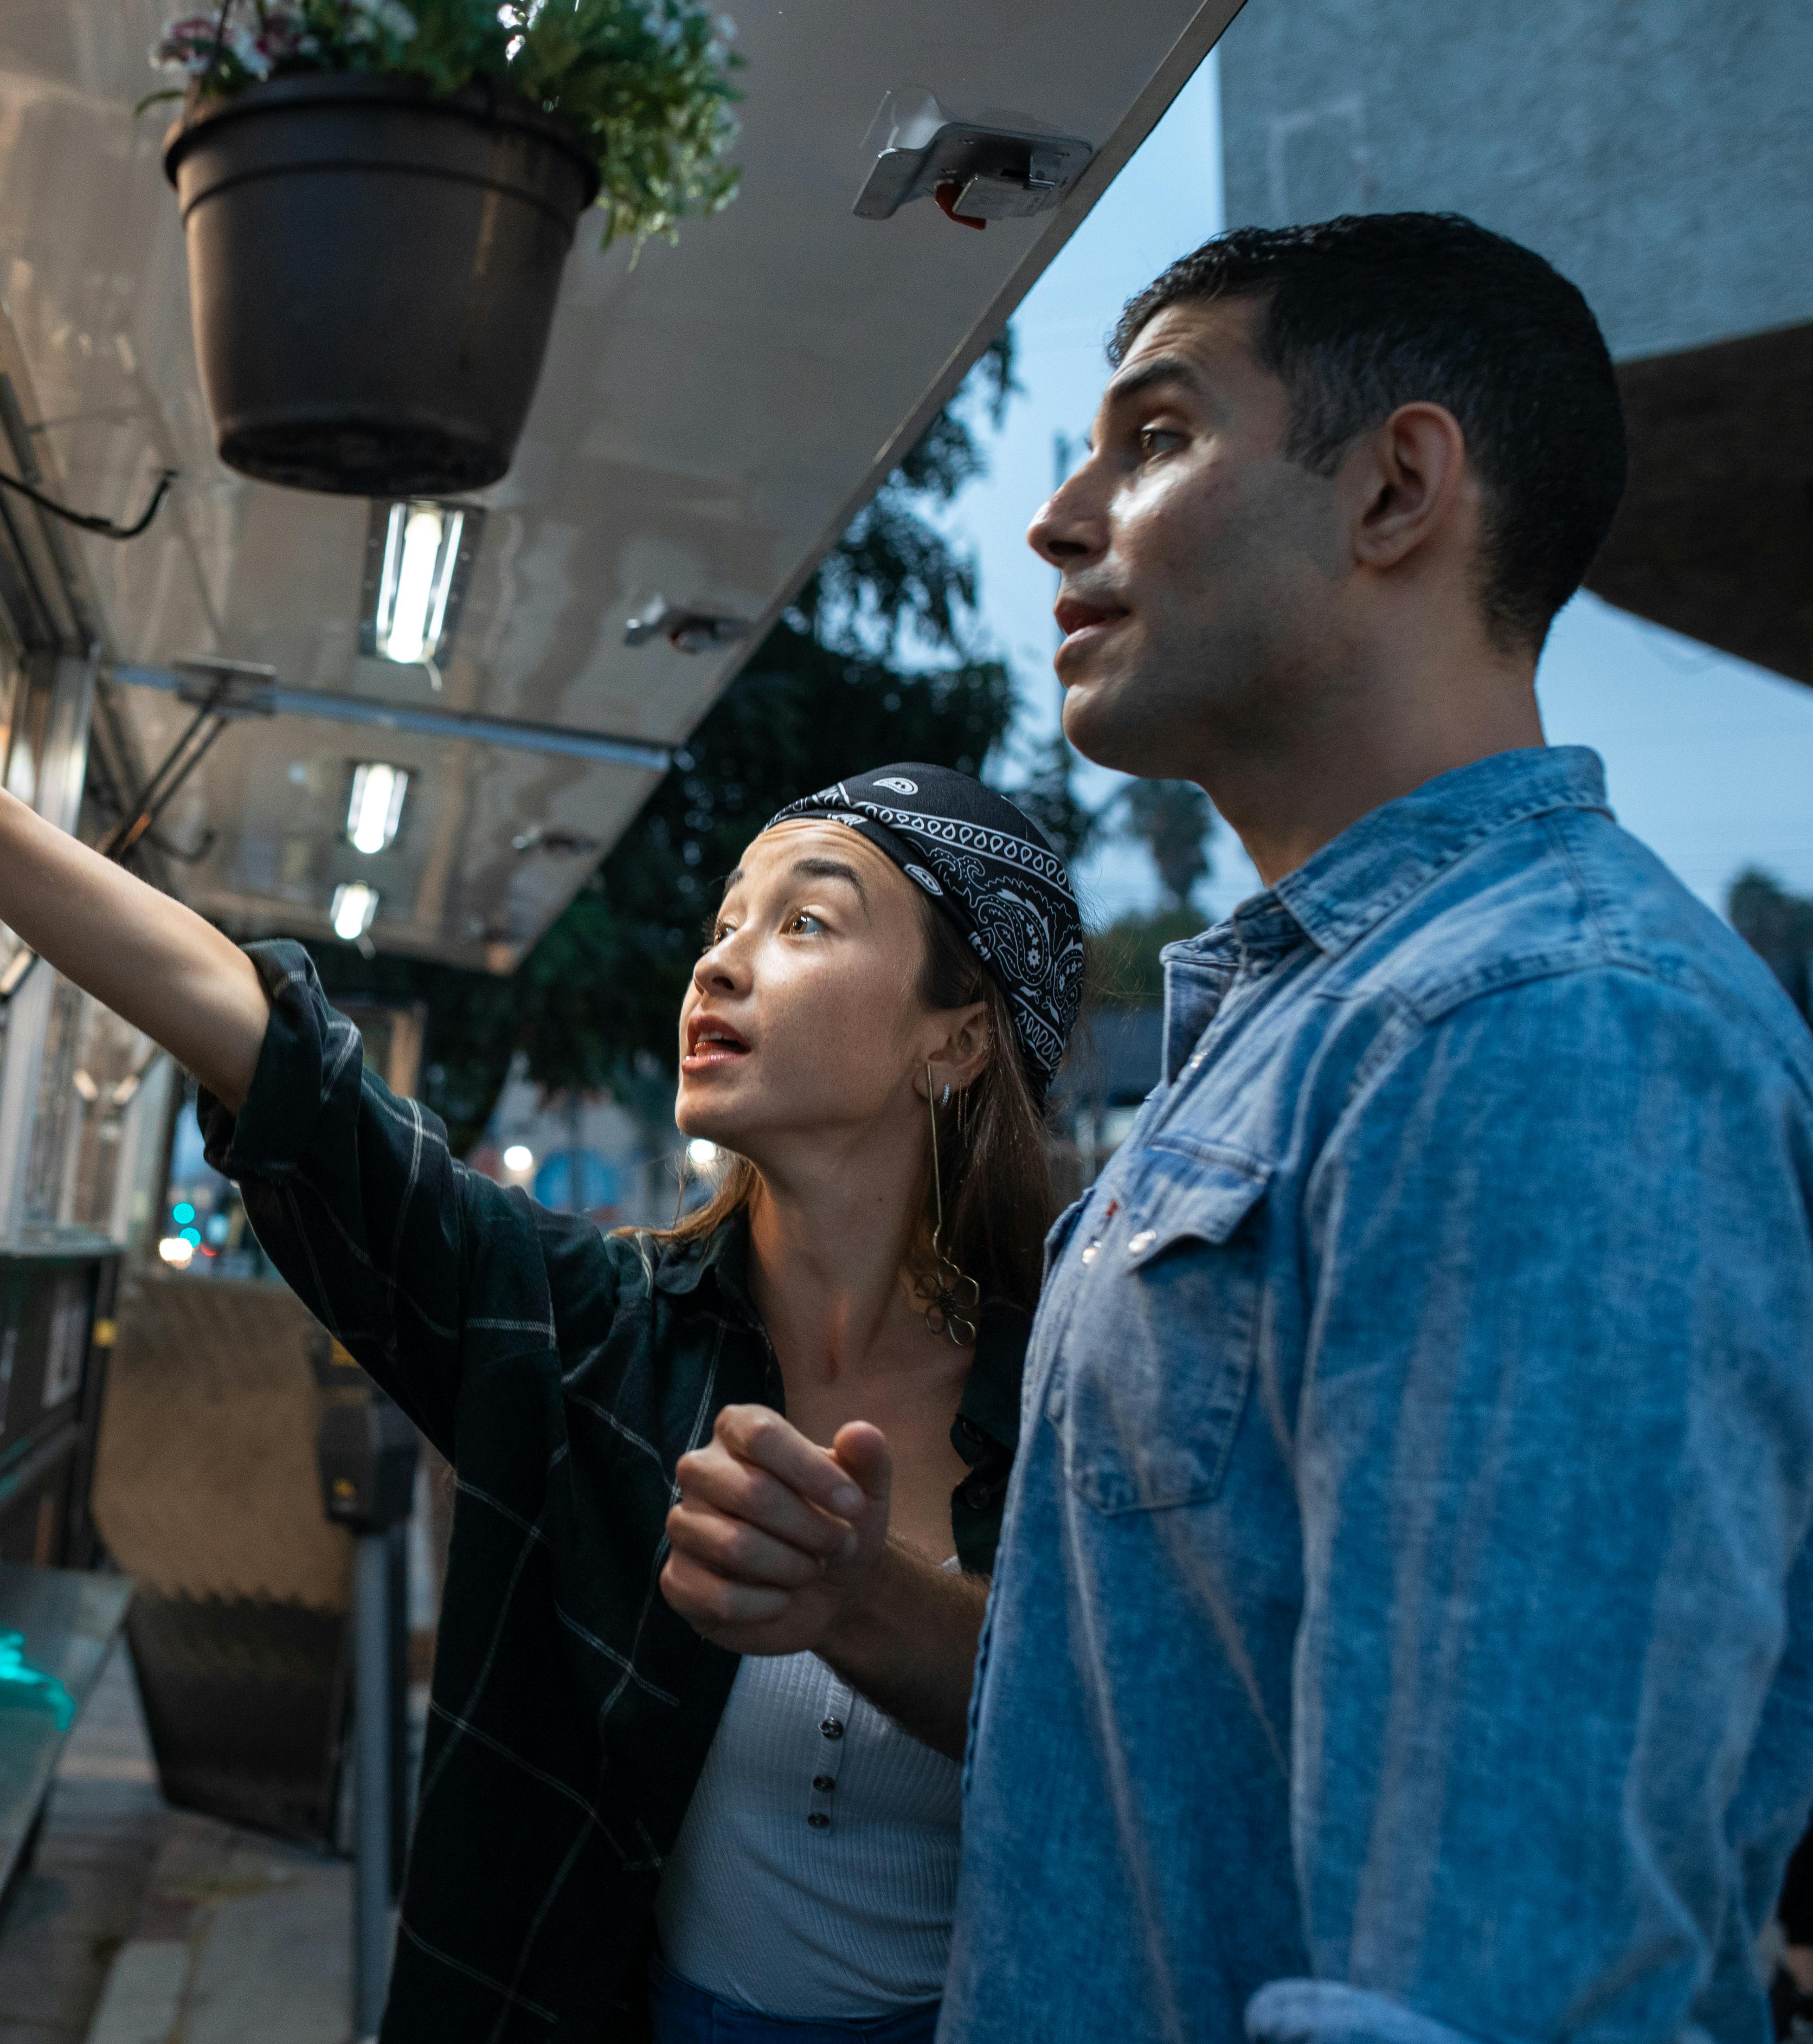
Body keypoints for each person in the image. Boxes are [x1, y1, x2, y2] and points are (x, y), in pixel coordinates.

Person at [0, 580, 1082, 2038]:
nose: (723, 958)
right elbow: (261, 1041)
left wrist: (864, 1603)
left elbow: (1131, 1760)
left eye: (809, 924)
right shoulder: (597, 1335)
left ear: (958, 1042)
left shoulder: (1085, 1399)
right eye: (726, 918)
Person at [662, 211, 1813, 2041]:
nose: (1055, 518)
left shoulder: (1545, 1032)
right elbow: (1172, 1741)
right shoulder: (1310, 1025)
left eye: (1154, 439)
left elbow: (1485, 1988)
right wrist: (860, 1604)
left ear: (1393, 490)